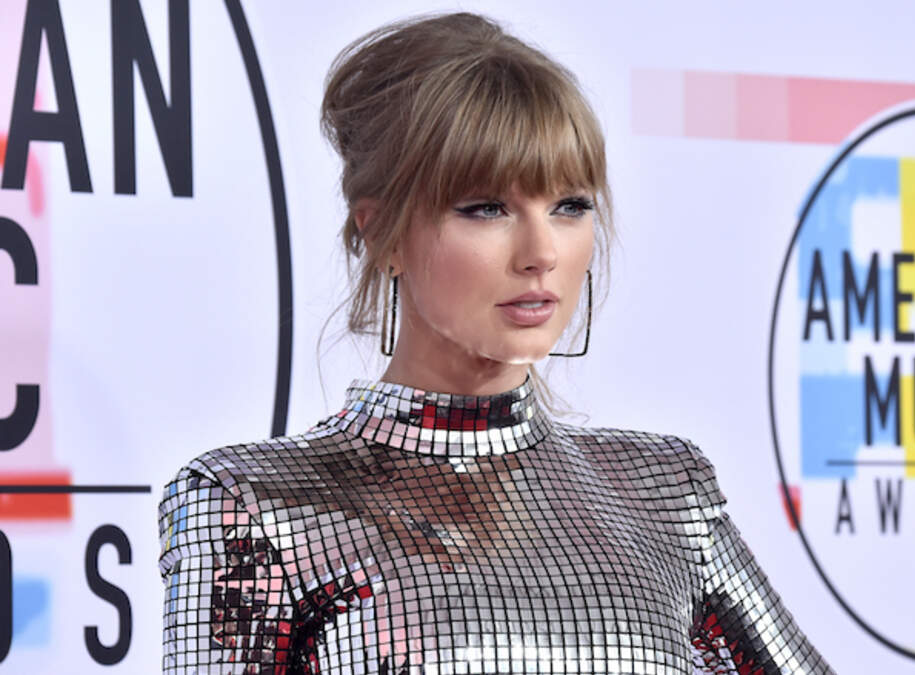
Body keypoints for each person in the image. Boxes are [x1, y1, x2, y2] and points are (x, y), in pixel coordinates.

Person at [157, 11, 833, 674]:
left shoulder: (663, 489)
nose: (542, 252)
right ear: (382, 233)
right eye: (487, 208)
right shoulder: (256, 503)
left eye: (569, 206)